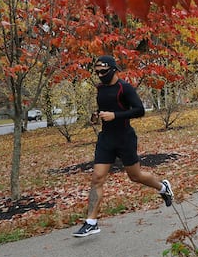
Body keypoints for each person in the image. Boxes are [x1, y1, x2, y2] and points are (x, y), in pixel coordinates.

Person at [72, 55, 174, 238]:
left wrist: (115, 115)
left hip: (125, 138)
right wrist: (96, 116)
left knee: (135, 176)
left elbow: (139, 110)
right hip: (106, 139)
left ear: (113, 69)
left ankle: (163, 187)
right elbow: (105, 108)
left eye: (103, 71)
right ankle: (91, 222)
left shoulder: (124, 88)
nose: (100, 75)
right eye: (97, 72)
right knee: (97, 178)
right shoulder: (100, 89)